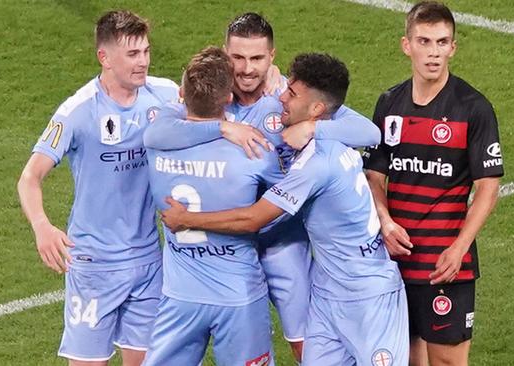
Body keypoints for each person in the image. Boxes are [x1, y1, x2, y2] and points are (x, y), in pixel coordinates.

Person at [143, 13, 377, 362]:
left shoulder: (286, 99)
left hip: (281, 244)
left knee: (307, 347)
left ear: (272, 57)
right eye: (238, 58)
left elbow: (369, 133)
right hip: (225, 253)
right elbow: (157, 134)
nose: (247, 69)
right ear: (226, 54)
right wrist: (222, 129)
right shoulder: (208, 97)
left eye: (257, 58)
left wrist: (314, 130)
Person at [16, 10, 179, 365]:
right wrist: (41, 226)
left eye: (146, 52)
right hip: (94, 264)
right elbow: (30, 177)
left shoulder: (165, 94)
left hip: (148, 260)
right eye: (133, 55)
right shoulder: (77, 111)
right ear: (104, 57)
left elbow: (214, 105)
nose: (143, 62)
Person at [364, 2, 504, 366]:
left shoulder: (473, 108)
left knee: (447, 362)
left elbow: (488, 187)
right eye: (424, 41)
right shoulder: (389, 104)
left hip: (447, 263)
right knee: (408, 359)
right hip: (396, 260)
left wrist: (459, 248)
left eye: (442, 42)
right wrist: (385, 219)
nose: (434, 52)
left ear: (453, 47)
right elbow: (374, 175)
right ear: (406, 45)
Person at [141, 46, 281, 366]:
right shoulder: (255, 150)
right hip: (239, 295)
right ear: (229, 97)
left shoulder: (158, 142)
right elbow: (283, 206)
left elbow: (159, 128)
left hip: (180, 297)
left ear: (181, 94)